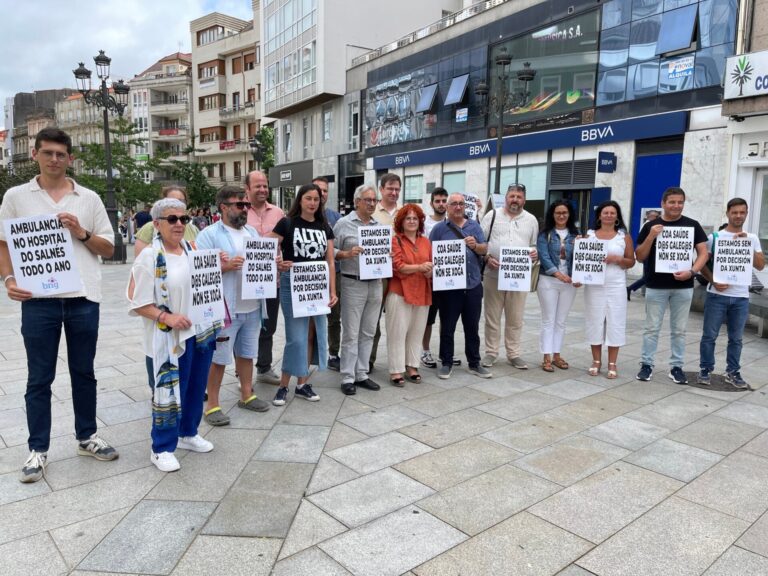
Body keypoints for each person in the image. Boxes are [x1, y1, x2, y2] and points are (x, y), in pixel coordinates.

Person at [0, 127, 119, 483]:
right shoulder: (17, 197)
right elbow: (4, 244)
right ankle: (38, 449)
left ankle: (87, 437)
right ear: (35, 154)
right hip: (39, 302)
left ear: (70, 158)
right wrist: (8, 280)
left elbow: (110, 249)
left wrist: (81, 232)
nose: (55, 159)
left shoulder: (89, 198)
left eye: (61, 154)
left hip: (82, 298)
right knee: (39, 377)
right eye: (48, 152)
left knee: (84, 373)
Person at [128, 198, 218, 472]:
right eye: (172, 219)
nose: (179, 224)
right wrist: (167, 316)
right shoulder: (149, 257)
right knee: (167, 390)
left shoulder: (192, 249)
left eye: (184, 219)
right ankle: (162, 447)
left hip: (197, 332)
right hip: (166, 338)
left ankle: (188, 433)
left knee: (194, 386)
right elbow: (137, 302)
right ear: (156, 224)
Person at [197, 186, 270, 427]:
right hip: (225, 308)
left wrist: (274, 265)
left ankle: (247, 395)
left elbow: (262, 263)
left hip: (251, 306)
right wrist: (226, 267)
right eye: (240, 205)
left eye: (246, 205)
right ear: (223, 207)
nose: (245, 209)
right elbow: (199, 270)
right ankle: (212, 405)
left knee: (247, 354)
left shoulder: (251, 232)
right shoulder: (208, 234)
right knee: (218, 358)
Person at [269, 183, 338, 405]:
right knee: (295, 338)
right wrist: (277, 263)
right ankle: (283, 385)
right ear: (300, 200)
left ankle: (301, 383)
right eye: (308, 198)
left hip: (317, 286)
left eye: (316, 199)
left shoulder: (325, 227)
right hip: (293, 285)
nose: (312, 203)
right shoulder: (287, 223)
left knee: (311, 336)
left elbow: (330, 262)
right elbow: (265, 249)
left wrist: (332, 290)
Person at [635, 187, 708, 384]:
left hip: (683, 286)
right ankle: (647, 365)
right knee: (651, 328)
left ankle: (676, 367)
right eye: (672, 202)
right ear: (663, 203)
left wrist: (692, 272)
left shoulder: (692, 225)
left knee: (679, 329)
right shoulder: (650, 226)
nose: (676, 206)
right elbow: (639, 256)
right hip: (655, 285)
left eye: (680, 202)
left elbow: (703, 253)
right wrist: (651, 236)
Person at [698, 198, 765, 388]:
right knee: (709, 335)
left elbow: (760, 266)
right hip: (716, 295)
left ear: (746, 214)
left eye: (742, 212)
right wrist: (713, 280)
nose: (738, 216)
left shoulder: (752, 238)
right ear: (728, 213)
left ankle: (733, 371)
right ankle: (705, 369)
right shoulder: (715, 238)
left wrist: (747, 247)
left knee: (736, 338)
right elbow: (702, 264)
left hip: (741, 297)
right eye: (734, 212)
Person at [429, 193, 490, 379]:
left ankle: (474, 362)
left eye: (461, 204)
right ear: (447, 207)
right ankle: (446, 362)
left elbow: (485, 248)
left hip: (472, 285)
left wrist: (475, 246)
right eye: (453, 204)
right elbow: (430, 253)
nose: (457, 207)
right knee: (447, 327)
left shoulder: (474, 226)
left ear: (465, 206)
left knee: (472, 326)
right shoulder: (439, 229)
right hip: (449, 288)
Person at [480, 184, 539, 370]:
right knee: (492, 317)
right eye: (512, 196)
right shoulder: (492, 216)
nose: (515, 200)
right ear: (506, 197)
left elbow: (534, 244)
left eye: (518, 197)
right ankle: (491, 352)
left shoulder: (531, 220)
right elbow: (482, 244)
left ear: (524, 200)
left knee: (515, 318)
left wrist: (534, 254)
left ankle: (514, 354)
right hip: (493, 275)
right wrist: (487, 257)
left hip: (518, 277)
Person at [333, 184, 383, 395]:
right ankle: (347, 376)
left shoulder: (377, 225)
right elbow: (330, 250)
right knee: (351, 333)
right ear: (357, 202)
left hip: (376, 283)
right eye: (368, 200)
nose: (372, 204)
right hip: (352, 281)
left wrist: (386, 256)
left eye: (374, 200)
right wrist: (346, 253)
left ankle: (362, 373)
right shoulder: (343, 224)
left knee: (369, 331)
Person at [583, 201, 636, 378]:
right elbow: (581, 260)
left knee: (615, 322)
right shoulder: (589, 235)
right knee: (594, 321)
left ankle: (612, 362)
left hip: (616, 285)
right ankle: (596, 360)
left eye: (613, 213)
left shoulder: (623, 237)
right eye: (605, 212)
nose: (609, 215)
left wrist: (617, 259)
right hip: (594, 285)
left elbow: (631, 261)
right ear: (599, 216)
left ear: (617, 216)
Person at [246, 170, 285, 385]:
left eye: (265, 186)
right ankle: (242, 369)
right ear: (247, 189)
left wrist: (283, 260)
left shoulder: (278, 212)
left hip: (272, 281)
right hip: (246, 281)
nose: (262, 190)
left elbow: (284, 241)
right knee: (245, 326)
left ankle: (264, 367)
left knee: (268, 327)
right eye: (257, 186)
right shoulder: (240, 212)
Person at [387, 204, 433, 386]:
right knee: (397, 333)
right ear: (401, 221)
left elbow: (432, 265)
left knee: (417, 331)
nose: (412, 221)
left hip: (422, 291)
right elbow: (398, 266)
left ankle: (412, 366)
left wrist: (430, 272)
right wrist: (420, 268)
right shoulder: (395, 240)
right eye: (408, 218)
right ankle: (395, 370)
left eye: (415, 218)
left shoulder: (425, 242)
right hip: (400, 292)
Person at [536, 200, 580, 373]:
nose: (561, 216)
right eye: (557, 213)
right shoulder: (545, 234)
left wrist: (580, 276)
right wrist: (558, 274)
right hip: (548, 280)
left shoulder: (576, 235)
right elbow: (544, 257)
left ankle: (557, 355)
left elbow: (581, 258)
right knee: (549, 320)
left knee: (561, 321)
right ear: (552, 215)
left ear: (569, 214)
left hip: (569, 282)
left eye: (564, 213)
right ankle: (546, 356)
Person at [370, 173, 402, 368]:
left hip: (400, 274)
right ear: (381, 189)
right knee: (372, 320)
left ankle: (399, 362)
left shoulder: (405, 212)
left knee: (398, 319)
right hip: (377, 274)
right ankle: (369, 360)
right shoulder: (371, 211)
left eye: (397, 189)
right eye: (390, 188)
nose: (394, 192)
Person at [315, 176, 343, 372]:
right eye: (318, 190)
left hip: (335, 273)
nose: (322, 193)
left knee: (334, 317)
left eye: (325, 190)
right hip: (311, 276)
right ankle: (313, 352)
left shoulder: (336, 218)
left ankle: (334, 353)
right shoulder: (299, 217)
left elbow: (340, 246)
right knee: (311, 317)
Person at [420, 187, 448, 369]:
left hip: (448, 278)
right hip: (429, 279)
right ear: (431, 204)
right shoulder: (424, 225)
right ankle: (425, 351)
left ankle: (446, 352)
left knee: (447, 317)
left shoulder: (454, 223)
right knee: (428, 318)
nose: (441, 204)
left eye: (444, 200)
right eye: (437, 201)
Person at [134, 186, 199, 256]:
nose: (176, 204)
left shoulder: (193, 229)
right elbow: (140, 259)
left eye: (181, 201)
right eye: (171, 200)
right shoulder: (149, 228)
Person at [627, 209, 660, 300]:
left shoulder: (656, 225)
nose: (657, 218)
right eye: (656, 216)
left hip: (653, 255)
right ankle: (629, 288)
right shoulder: (647, 225)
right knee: (647, 276)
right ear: (650, 216)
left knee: (647, 276)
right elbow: (642, 241)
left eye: (658, 216)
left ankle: (630, 289)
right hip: (647, 254)